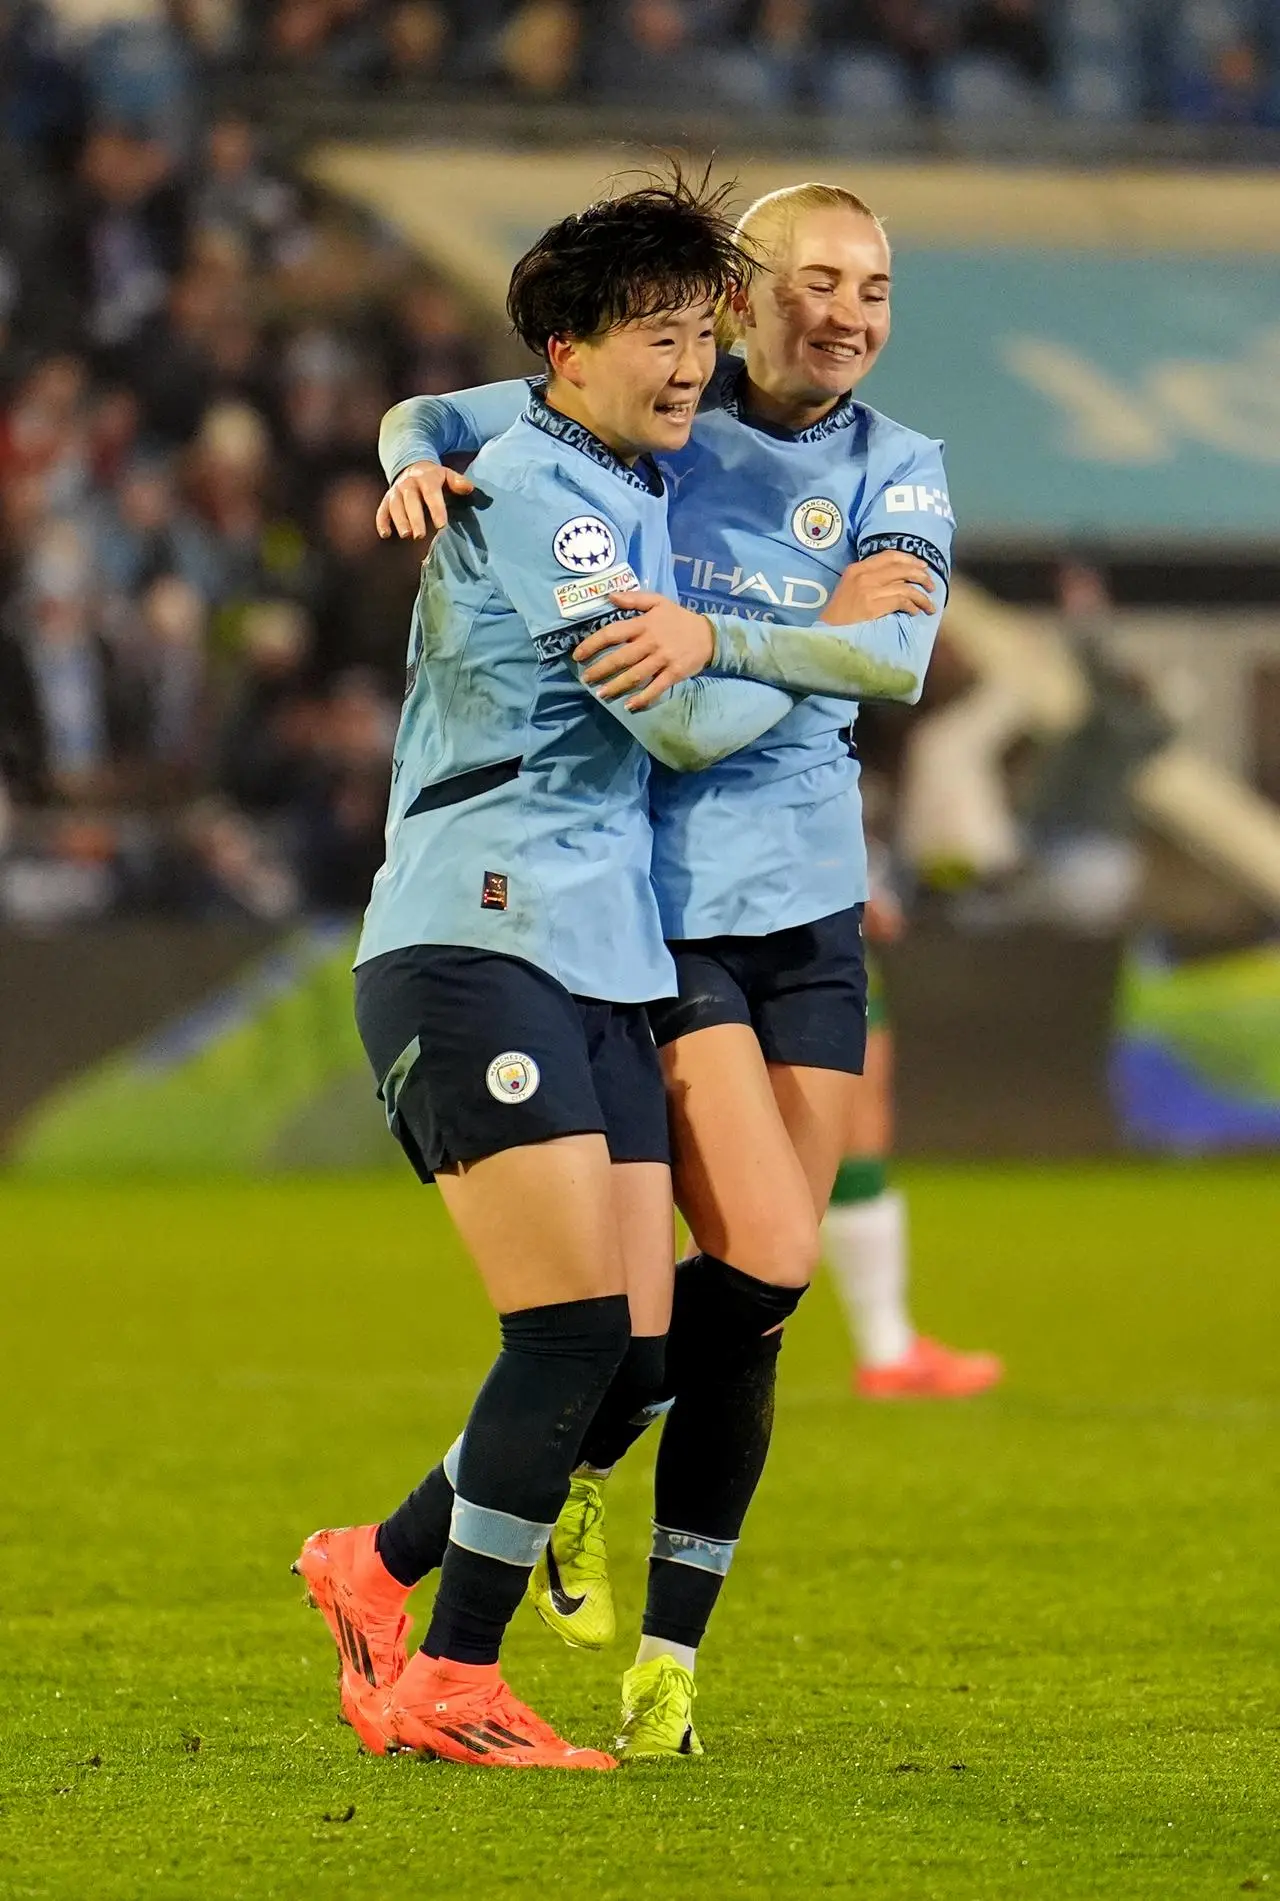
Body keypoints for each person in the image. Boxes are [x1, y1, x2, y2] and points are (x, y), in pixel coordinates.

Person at [377, 180, 959, 1757]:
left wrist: (726, 638)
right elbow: (440, 410)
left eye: (879, 287)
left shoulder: (899, 469)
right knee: (684, 1284)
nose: (849, 311)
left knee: (760, 1292)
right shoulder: (654, 410)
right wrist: (407, 461)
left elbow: (893, 657)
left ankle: (663, 1650)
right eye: (820, 280)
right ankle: (474, 1530)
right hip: (663, 906)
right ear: (749, 295)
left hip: (812, 911)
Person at [294, 175, 806, 1773]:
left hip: (599, 954)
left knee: (635, 1357)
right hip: (476, 938)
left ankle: (376, 1563)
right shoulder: (552, 496)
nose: (689, 369)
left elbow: (428, 404)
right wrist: (809, 653)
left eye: (700, 337)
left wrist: (399, 443)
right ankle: (449, 1677)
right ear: (570, 353)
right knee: (574, 1329)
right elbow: (669, 714)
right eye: (659, 338)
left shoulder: (599, 455)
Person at [822, 871, 1004, 1398]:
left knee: (849, 1141)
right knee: (841, 1135)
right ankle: (886, 1349)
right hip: (786, 910)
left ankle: (888, 1349)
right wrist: (861, 875)